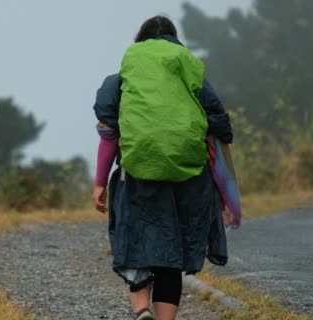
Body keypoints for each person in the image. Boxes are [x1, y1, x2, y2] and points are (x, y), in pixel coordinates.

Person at [92, 16, 234, 320]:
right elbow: (218, 136)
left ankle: (142, 310)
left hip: (139, 177)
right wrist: (227, 196)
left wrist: (100, 182)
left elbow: (109, 136)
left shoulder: (119, 81)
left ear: (140, 43)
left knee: (137, 244)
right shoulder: (193, 77)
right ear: (175, 43)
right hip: (191, 180)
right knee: (173, 253)